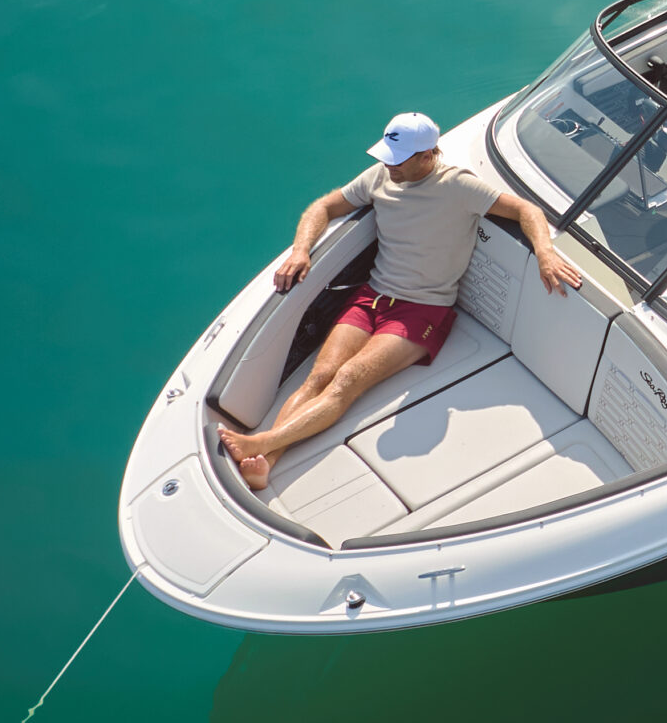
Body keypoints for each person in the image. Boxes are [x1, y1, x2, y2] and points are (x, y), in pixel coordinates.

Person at [218, 111, 584, 490]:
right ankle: (267, 460)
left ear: (427, 156)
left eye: (397, 159)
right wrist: (301, 251)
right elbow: (322, 207)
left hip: (423, 309)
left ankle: (260, 443)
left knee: (347, 378)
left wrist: (544, 253)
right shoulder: (379, 176)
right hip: (372, 297)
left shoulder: (457, 186)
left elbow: (526, 209)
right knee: (319, 376)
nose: (386, 165)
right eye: (387, 155)